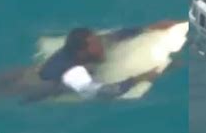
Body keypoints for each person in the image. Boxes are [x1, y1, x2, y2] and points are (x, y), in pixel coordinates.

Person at [24, 27, 161, 102]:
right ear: (81, 52)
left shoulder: (78, 48)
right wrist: (141, 78)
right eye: (95, 45)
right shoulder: (72, 73)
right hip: (30, 87)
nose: (101, 45)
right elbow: (105, 92)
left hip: (33, 72)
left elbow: (114, 36)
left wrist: (149, 29)